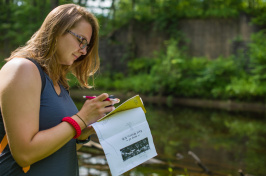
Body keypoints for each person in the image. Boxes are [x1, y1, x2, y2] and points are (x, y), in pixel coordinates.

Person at [0, 4, 119, 175]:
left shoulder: (58, 83)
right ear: (57, 30)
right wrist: (81, 118)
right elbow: (24, 155)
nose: (84, 51)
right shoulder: (23, 69)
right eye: (81, 40)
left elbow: (59, 150)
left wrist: (83, 131)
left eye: (87, 45)